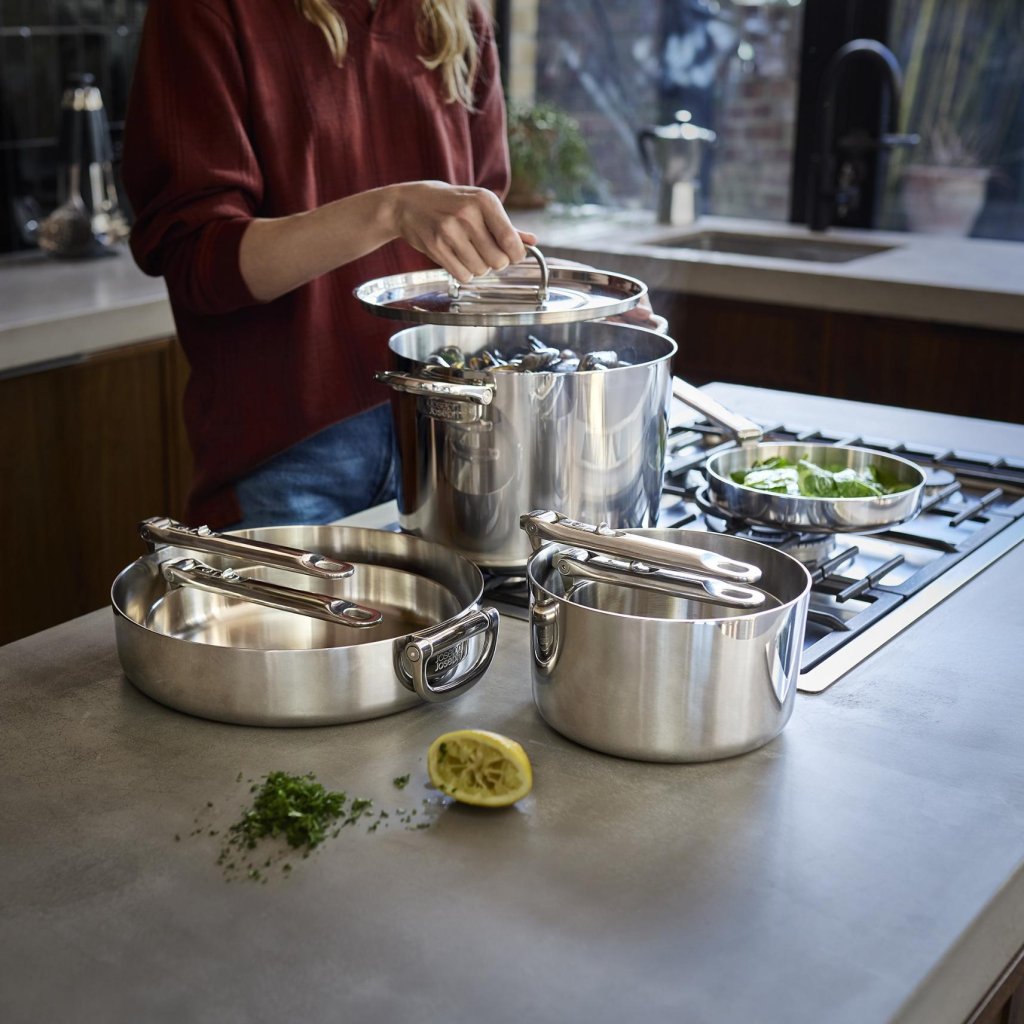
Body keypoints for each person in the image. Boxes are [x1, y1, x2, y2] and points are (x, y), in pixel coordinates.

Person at [122, 0, 537, 530]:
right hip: (290, 458)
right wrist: (390, 210)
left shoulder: (459, 14)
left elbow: (478, 239)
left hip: (445, 434)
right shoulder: (208, 11)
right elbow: (198, 261)